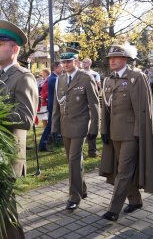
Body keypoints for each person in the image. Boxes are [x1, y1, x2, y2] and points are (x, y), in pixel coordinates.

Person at [0, 20, 38, 239]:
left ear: (15, 48)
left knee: (5, 214)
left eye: (0, 43)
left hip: (8, 157)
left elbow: (27, 118)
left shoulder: (23, 77)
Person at [99, 43, 153, 221]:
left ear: (125, 59)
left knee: (124, 171)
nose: (112, 61)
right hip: (114, 133)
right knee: (120, 170)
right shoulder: (108, 80)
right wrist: (104, 130)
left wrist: (140, 133)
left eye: (116, 58)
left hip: (132, 134)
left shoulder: (136, 77)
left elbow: (142, 108)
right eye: (110, 58)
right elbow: (106, 108)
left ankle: (113, 210)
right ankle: (135, 200)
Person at [51, 51, 99, 211]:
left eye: (69, 62)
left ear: (76, 61)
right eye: (63, 63)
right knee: (74, 161)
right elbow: (57, 105)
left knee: (73, 160)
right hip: (65, 126)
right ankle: (82, 188)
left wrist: (94, 128)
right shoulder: (61, 79)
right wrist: (54, 127)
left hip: (80, 125)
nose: (65, 65)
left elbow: (94, 105)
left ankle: (74, 196)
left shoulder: (86, 78)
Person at [39, 62, 63, 152]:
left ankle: (51, 141)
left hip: (52, 105)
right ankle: (43, 144)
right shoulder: (54, 79)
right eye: (61, 67)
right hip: (53, 106)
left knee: (52, 124)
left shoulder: (53, 77)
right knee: (50, 125)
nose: (62, 68)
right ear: (55, 68)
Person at [81, 57, 101, 158]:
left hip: (91, 103)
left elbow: (98, 88)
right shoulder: (79, 74)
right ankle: (79, 151)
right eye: (83, 62)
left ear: (90, 63)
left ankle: (92, 150)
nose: (84, 64)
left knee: (92, 127)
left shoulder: (95, 74)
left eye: (86, 62)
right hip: (81, 104)